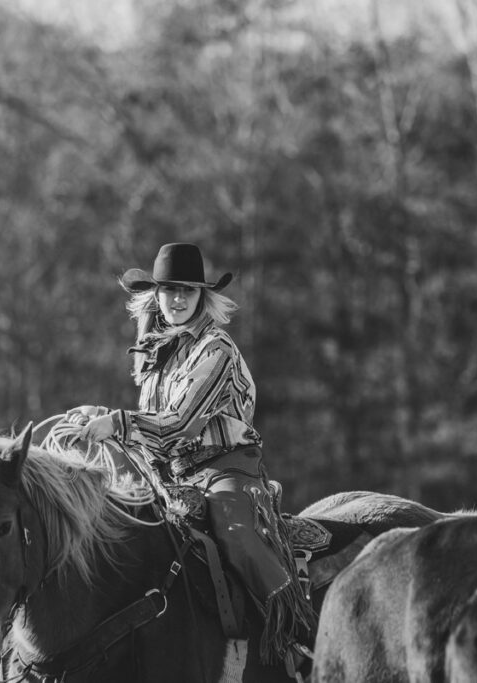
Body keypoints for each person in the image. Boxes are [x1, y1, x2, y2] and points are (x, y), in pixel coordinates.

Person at [67, 242, 312, 667]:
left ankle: (298, 632)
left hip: (227, 468)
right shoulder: (156, 351)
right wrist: (102, 418)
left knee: (235, 531)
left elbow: (178, 424)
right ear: (156, 294)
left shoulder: (215, 349)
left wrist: (116, 424)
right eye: (171, 290)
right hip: (175, 477)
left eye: (189, 292)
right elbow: (153, 426)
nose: (179, 300)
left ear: (203, 297)